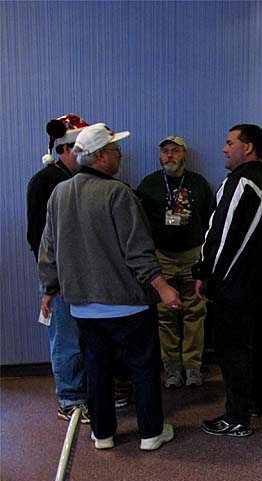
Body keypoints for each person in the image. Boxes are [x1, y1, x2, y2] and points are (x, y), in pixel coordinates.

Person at [38, 123, 182, 451]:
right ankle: (150, 434)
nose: (120, 156)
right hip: (127, 303)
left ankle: (102, 434)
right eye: (116, 151)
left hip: (83, 305)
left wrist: (50, 288)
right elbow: (138, 250)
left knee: (97, 369)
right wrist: (162, 287)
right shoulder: (119, 193)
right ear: (100, 155)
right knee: (143, 368)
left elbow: (49, 248)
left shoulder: (60, 193)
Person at [193, 124, 262, 437]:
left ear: (248, 147)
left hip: (234, 289)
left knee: (234, 354)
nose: (224, 149)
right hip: (260, 289)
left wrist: (204, 273)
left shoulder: (240, 182)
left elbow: (220, 235)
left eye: (230, 143)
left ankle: (237, 417)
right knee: (259, 348)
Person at [137, 136, 215, 389]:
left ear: (184, 155)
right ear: (160, 156)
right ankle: (172, 368)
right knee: (165, 314)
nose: (169, 155)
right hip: (162, 256)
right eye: (165, 151)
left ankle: (192, 366)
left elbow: (209, 219)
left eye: (175, 151)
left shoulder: (198, 183)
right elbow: (138, 222)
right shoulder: (149, 184)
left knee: (196, 312)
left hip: (192, 254)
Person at [27, 113, 90, 424]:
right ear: (66, 149)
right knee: (65, 338)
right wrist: (52, 282)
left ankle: (85, 391)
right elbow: (38, 237)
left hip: (84, 273)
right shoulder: (45, 183)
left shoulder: (78, 181)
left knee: (83, 336)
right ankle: (70, 398)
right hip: (61, 277)